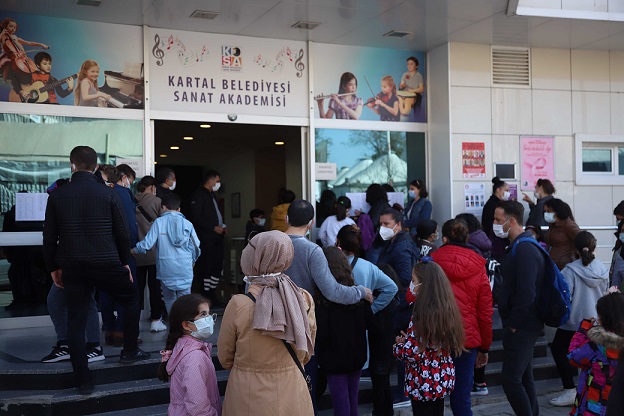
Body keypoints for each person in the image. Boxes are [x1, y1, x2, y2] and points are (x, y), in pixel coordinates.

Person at [42, 146, 149, 394]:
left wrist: (53, 268)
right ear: (96, 166)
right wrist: (124, 262)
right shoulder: (109, 193)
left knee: (76, 320)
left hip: (73, 266)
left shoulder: (57, 196)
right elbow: (122, 233)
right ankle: (130, 351)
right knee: (131, 300)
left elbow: (49, 237)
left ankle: (84, 380)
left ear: (72, 165)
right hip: (107, 262)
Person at [284, 199, 372, 414]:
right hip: (305, 327)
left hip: (275, 325)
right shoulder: (312, 250)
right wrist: (361, 292)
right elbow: (332, 291)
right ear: (312, 223)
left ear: (286, 218)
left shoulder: (270, 243)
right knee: (307, 387)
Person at [217, 231, 316, 415]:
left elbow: (225, 358)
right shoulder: (303, 299)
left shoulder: (238, 304)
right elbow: (305, 354)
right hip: (293, 394)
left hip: (248, 397)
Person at [431, 219, 493, 416]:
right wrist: (485, 347)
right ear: (467, 237)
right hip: (467, 337)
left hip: (435, 335)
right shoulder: (478, 264)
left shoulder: (430, 261)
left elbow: (412, 296)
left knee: (434, 393)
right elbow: (485, 312)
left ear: (445, 237)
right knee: (462, 395)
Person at [336, 224, 398, 416]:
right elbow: (392, 288)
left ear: (337, 242)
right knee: (354, 380)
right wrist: (373, 308)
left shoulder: (330, 266)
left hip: (336, 328)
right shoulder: (368, 267)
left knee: (338, 381)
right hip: (360, 330)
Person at [393, 261, 465, 416]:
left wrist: (398, 347)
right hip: (440, 378)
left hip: (422, 382)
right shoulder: (445, 308)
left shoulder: (421, 313)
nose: (411, 284)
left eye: (413, 281)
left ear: (424, 284)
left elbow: (413, 352)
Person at [494, 200, 544, 416]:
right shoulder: (520, 246)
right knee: (524, 377)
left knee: (511, 379)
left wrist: (514, 324)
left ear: (511, 221)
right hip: (522, 323)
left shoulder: (525, 249)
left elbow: (527, 293)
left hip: (523, 325)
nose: (494, 224)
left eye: (498, 220)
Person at [549, 231, 609, 407]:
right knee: (592, 357)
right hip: (596, 322)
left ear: (574, 247)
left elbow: (564, 297)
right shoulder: (602, 269)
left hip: (573, 323)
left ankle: (570, 389)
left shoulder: (570, 270)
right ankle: (590, 391)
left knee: (559, 350)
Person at [316, 246, 373, 416]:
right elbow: (371, 324)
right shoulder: (358, 295)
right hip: (357, 357)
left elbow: (321, 334)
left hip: (334, 360)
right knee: (352, 401)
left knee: (341, 404)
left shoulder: (321, 300)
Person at [133, 193, 201, 314]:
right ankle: (183, 327)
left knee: (169, 298)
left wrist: (134, 250)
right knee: (185, 300)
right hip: (184, 268)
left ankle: (173, 326)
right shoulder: (188, 224)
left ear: (163, 207)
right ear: (179, 209)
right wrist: (193, 260)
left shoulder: (159, 223)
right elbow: (196, 246)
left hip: (166, 268)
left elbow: (147, 244)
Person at [158, 294, 221, 416]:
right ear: (186, 325)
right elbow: (198, 407)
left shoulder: (182, 347)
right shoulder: (194, 357)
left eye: (208, 314)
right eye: (203, 315)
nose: (209, 320)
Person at [567, 292, 624, 416]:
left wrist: (583, 329)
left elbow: (574, 357)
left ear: (606, 317)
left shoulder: (598, 344)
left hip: (595, 404)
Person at [134, 175, 166, 332]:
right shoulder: (157, 201)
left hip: (136, 252)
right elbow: (164, 224)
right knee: (155, 288)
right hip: (154, 252)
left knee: (137, 288)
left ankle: (135, 320)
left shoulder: (132, 199)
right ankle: (155, 320)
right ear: (153, 187)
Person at [189, 170, 226, 302]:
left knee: (216, 267)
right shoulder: (199, 195)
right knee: (206, 267)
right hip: (206, 239)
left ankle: (212, 294)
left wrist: (222, 227)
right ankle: (205, 295)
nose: (218, 184)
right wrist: (212, 228)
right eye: (217, 181)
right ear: (210, 180)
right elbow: (196, 217)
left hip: (217, 239)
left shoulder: (212, 195)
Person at [0, 17, 48, 96]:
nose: (13, 28)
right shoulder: (3, 37)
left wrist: (41, 44)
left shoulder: (15, 38)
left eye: (15, 27)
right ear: (5, 26)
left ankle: (38, 84)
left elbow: (29, 43)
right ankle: (20, 91)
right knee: (13, 71)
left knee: (34, 70)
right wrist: (1, 33)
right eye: (11, 26)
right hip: (9, 57)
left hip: (20, 58)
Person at [544, 198, 581, 270]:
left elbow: (582, 239)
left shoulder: (569, 225)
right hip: (553, 265)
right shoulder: (553, 225)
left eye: (548, 211)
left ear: (557, 212)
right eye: (545, 211)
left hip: (565, 266)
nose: (546, 214)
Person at [482, 177, 510, 262]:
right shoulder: (493, 205)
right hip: (495, 242)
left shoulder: (496, 203)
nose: (508, 193)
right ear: (498, 190)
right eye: (506, 190)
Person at [398, 56, 425, 121]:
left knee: (417, 109)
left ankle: (417, 121)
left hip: (416, 95)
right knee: (403, 111)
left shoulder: (419, 76)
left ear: (416, 66)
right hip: (405, 95)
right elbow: (401, 85)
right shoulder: (405, 74)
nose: (409, 66)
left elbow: (421, 89)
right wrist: (402, 86)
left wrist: (412, 90)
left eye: (411, 64)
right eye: (408, 64)